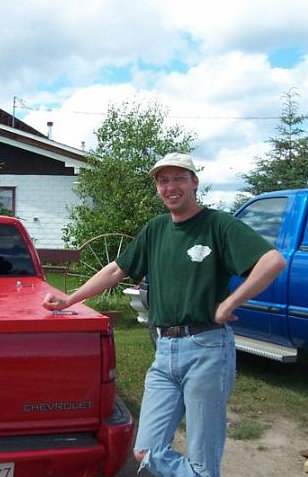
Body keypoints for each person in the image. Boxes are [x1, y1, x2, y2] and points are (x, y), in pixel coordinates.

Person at [43, 153, 286, 477]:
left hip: (207, 350)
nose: (170, 187)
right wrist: (70, 299)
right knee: (146, 451)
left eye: (178, 179)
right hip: (164, 350)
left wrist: (229, 304)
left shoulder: (218, 224)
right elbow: (116, 269)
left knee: (201, 464)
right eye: (163, 181)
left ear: (194, 182)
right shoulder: (156, 229)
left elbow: (272, 262)